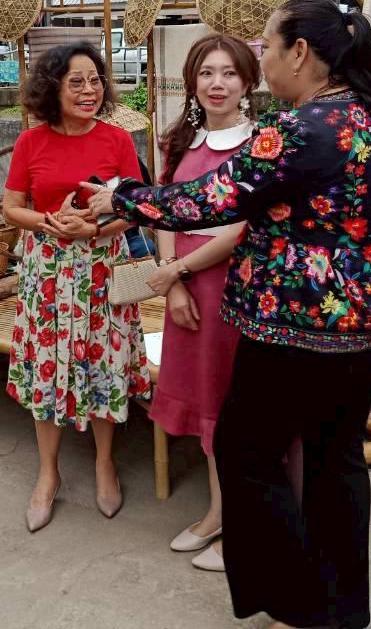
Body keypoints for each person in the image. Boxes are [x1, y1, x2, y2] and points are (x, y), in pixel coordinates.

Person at [84, 0, 371, 629]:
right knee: (335, 460)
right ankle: (340, 609)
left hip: (298, 330)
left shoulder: (300, 128)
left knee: (246, 450)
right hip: (367, 327)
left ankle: (294, 600)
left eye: (266, 47)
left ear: (300, 53)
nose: (261, 59)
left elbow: (212, 198)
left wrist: (122, 196)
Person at [0, 42, 152, 533]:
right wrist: (48, 222)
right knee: (47, 367)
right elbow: (12, 208)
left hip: (103, 268)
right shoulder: (31, 142)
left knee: (104, 362)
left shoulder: (117, 140)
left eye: (96, 80)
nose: (90, 91)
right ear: (53, 89)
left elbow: (134, 209)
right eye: (77, 82)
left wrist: (91, 228)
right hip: (46, 273)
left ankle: (105, 462)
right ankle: (48, 473)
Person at [145, 34, 259, 573]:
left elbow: (242, 229)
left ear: (248, 81)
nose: (218, 84)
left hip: (237, 290)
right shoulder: (178, 142)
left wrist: (178, 272)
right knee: (208, 397)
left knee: (237, 405)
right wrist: (173, 283)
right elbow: (164, 210)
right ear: (192, 81)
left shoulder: (261, 146)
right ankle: (218, 513)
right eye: (207, 73)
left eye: (229, 73)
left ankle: (243, 522)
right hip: (186, 290)